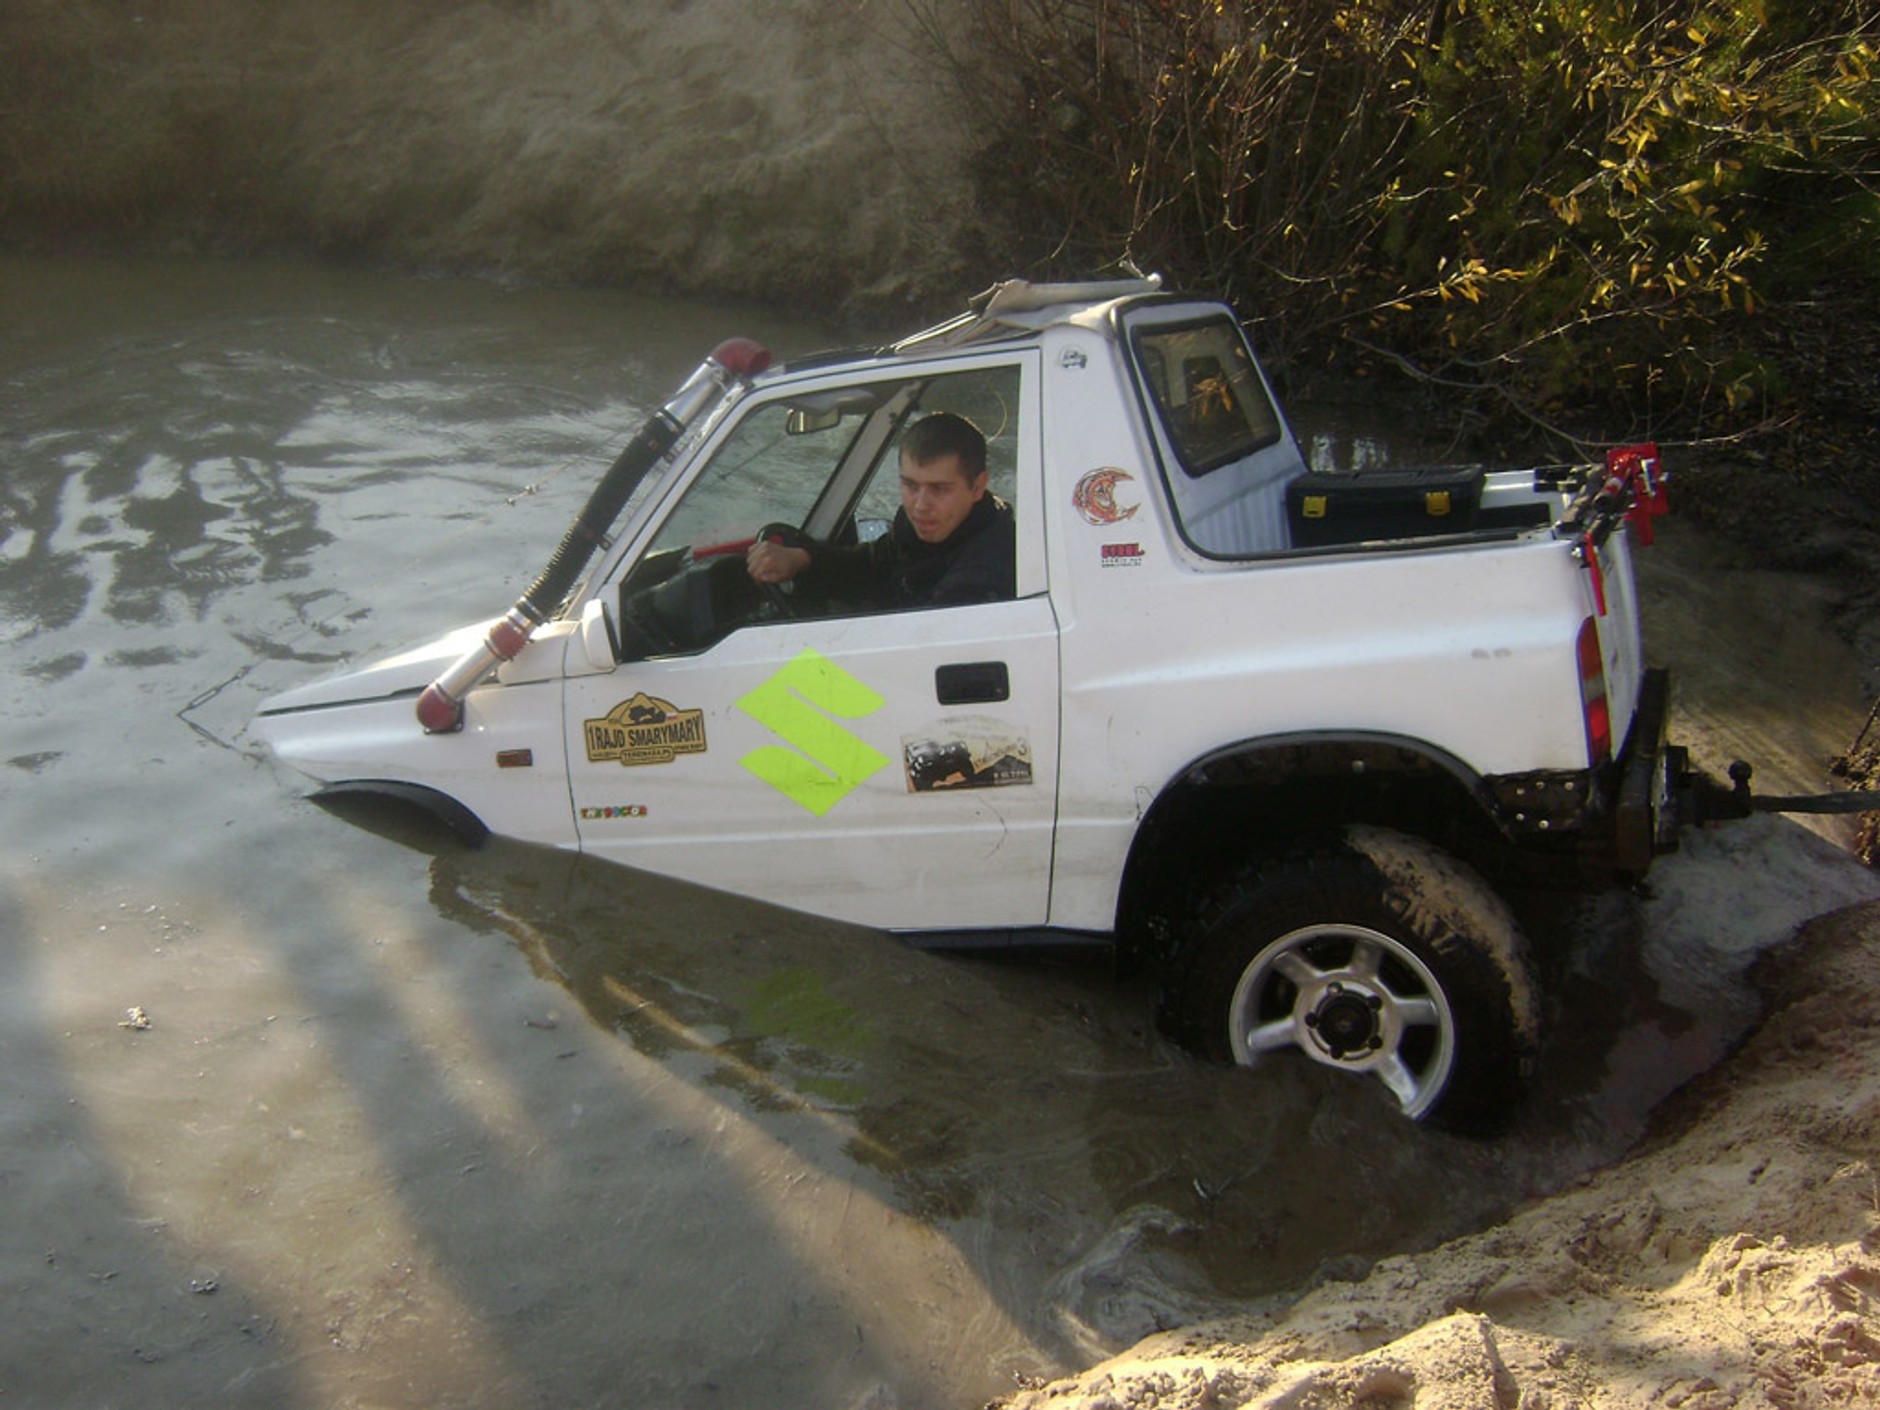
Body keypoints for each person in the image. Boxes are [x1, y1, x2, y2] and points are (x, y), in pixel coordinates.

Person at [745, 411, 1015, 609]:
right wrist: (802, 559)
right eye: (910, 485)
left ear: (978, 486)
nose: (920, 505)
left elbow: (918, 639)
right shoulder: (924, 524)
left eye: (939, 489)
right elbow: (875, 565)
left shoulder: (985, 573)